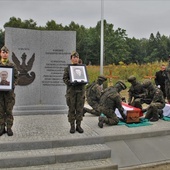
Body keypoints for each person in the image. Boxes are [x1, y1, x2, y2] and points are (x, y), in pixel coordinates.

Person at [63, 51, 87, 134]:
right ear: (71, 59)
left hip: (80, 92)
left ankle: (79, 125)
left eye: (77, 57)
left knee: (80, 109)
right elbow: (65, 79)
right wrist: (71, 82)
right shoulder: (68, 69)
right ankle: (72, 126)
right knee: (72, 109)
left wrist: (85, 81)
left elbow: (86, 78)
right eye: (74, 57)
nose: (76, 59)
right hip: (71, 92)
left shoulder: (82, 68)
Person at [0, 46, 18, 136]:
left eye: (6, 52)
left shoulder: (12, 66)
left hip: (9, 93)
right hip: (0, 93)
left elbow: (16, 77)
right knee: (0, 111)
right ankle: (2, 128)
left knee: (9, 110)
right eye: (3, 52)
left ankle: (9, 128)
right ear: (0, 53)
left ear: (8, 54)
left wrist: (12, 84)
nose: (5, 54)